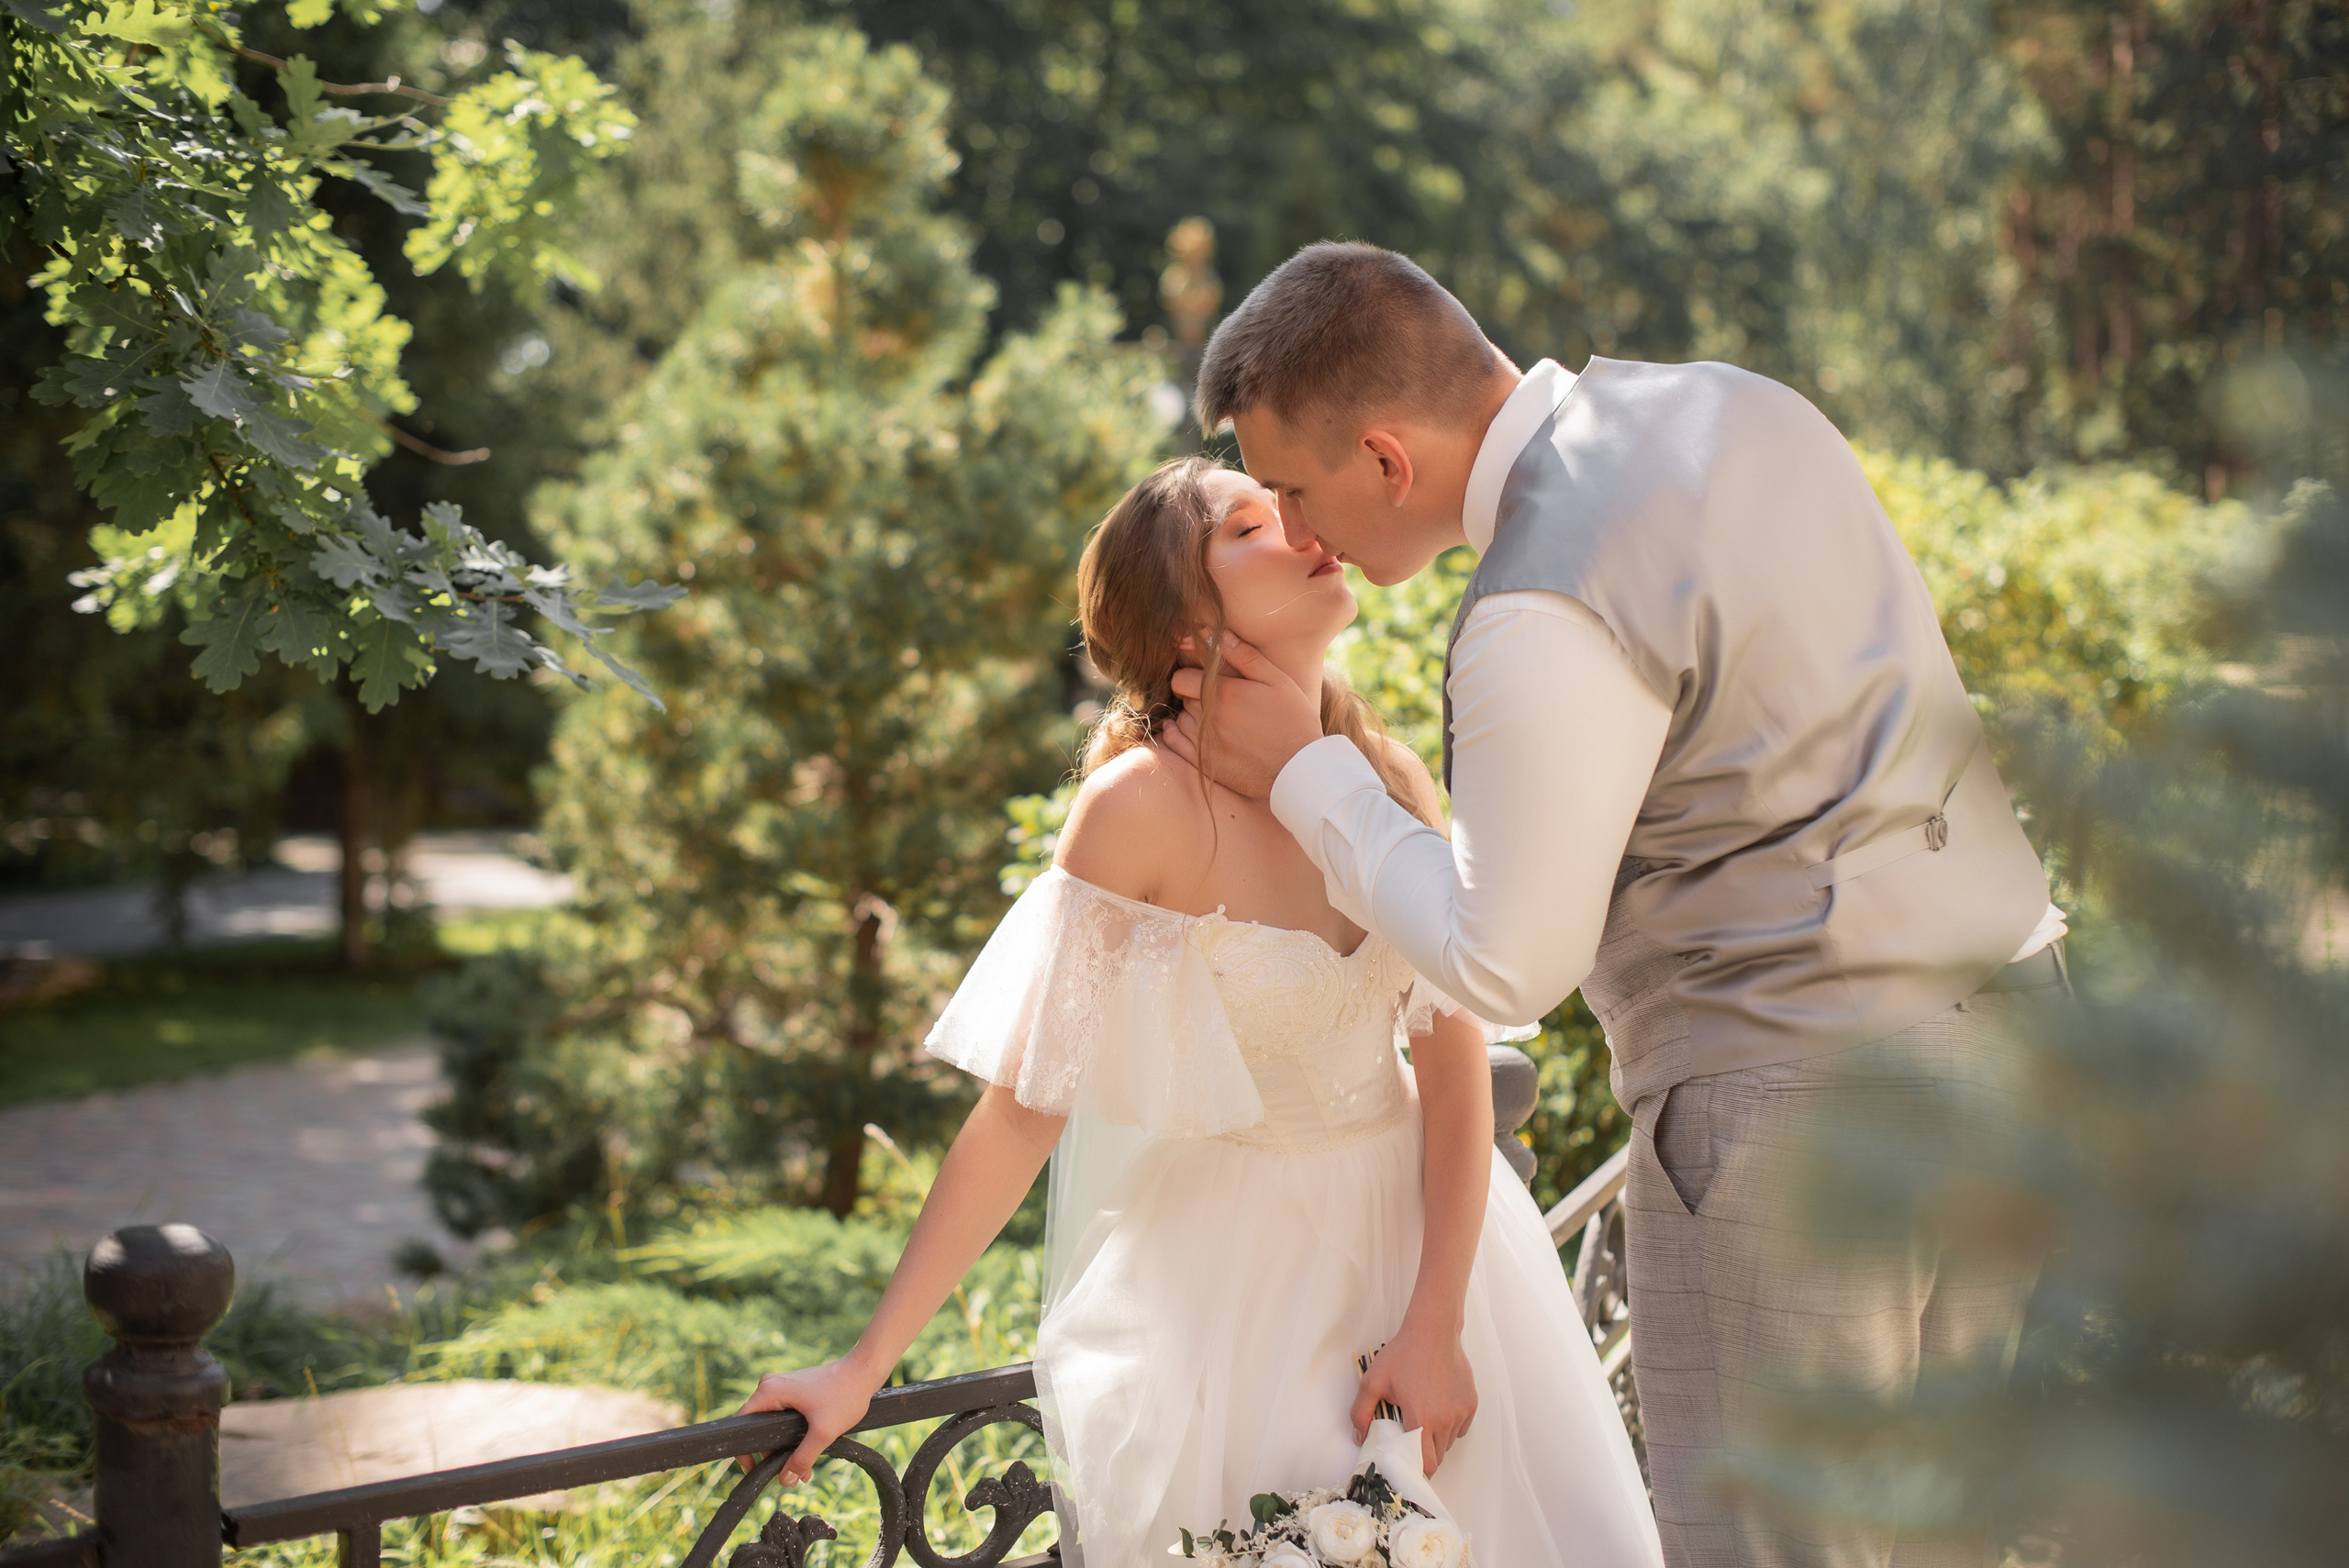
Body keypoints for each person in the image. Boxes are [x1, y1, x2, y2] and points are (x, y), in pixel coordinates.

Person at [1160, 241, 2070, 1568]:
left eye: (1296, 490)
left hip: (1804, 1107)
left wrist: (1309, 774)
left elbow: (1506, 959)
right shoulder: (1740, 404)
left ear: (1387, 460)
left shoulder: (1540, 597)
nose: (1297, 533)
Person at [736, 456, 1664, 1567]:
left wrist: (1436, 1322)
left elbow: (1454, 1062)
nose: (1304, 524)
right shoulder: (1136, 809)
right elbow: (1024, 1111)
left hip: (1441, 1257)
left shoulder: (1389, 775)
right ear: (1184, 622)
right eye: (1250, 524)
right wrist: (863, 1364)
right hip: (1236, 1295)